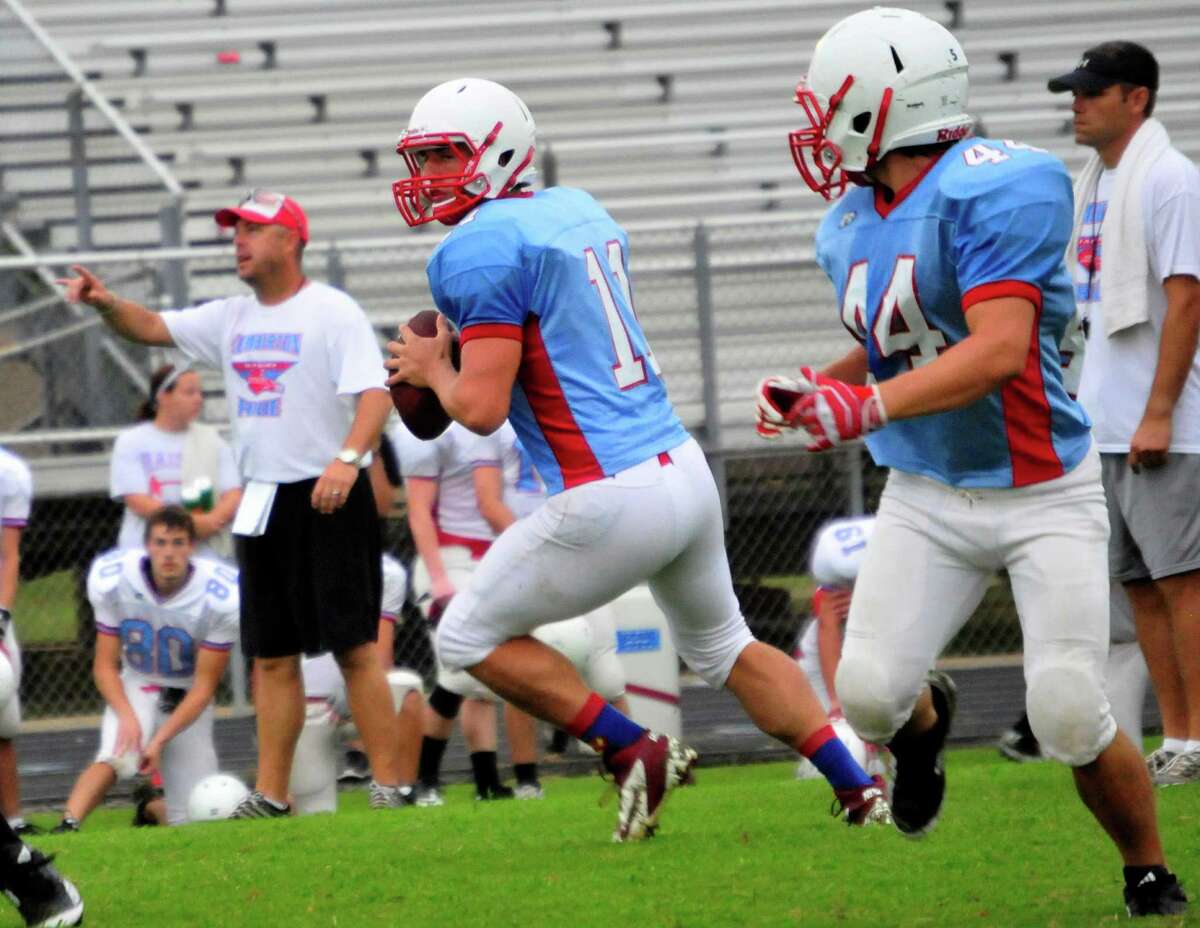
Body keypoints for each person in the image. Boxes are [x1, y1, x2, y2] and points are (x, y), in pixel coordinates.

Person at [756, 7, 1184, 916]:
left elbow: (997, 348)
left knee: (1070, 708)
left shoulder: (1002, 185)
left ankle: (1146, 868)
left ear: (886, 102)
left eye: (828, 104)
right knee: (867, 700)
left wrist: (861, 406)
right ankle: (924, 726)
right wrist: (813, 385)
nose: (816, 126)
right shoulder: (848, 220)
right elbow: (900, 341)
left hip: (1042, 491)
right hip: (926, 490)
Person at [386, 77, 889, 841]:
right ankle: (859, 787)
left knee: (462, 639)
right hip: (680, 470)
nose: (430, 177)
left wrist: (431, 370)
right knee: (726, 648)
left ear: (499, 151)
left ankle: (632, 748)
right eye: (422, 161)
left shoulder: (477, 246)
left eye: (448, 156)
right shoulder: (575, 208)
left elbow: (480, 408)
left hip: (607, 493)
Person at [57, 190, 405, 817]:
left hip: (327, 496)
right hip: (263, 500)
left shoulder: (332, 311)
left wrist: (347, 460)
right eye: (235, 229)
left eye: (252, 229)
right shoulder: (231, 317)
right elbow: (152, 328)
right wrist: (107, 303)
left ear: (290, 239)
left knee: (353, 647)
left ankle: (389, 785)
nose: (238, 240)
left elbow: (374, 396)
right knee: (272, 657)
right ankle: (271, 793)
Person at [1049, 42, 1200, 787]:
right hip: (1101, 419)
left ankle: (1198, 736)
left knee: (1184, 583)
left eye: (1091, 91)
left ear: (1135, 98)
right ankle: (1178, 738)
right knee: (1141, 588)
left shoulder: (1169, 179)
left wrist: (1161, 411)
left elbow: (1188, 296)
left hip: (1163, 422)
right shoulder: (1096, 181)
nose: (1076, 103)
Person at [52, 507, 238, 830]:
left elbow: (205, 686)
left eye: (178, 543)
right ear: (147, 545)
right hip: (137, 681)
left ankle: (151, 809)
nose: (169, 553)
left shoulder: (220, 594)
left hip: (187, 693)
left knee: (194, 814)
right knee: (115, 755)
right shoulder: (115, 578)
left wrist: (159, 740)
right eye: (161, 542)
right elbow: (104, 666)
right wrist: (127, 716)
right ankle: (67, 825)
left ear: (192, 547)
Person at [394, 418, 543, 804]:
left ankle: (486, 783)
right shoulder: (435, 430)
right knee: (458, 673)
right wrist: (439, 579)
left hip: (491, 556)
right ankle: (423, 780)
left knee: (482, 678)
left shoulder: (501, 419)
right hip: (448, 557)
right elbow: (418, 511)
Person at [294, 553, 426, 813]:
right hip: (307, 705)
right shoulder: (287, 563)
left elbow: (380, 657)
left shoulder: (386, 571)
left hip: (360, 694)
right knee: (314, 817)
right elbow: (269, 672)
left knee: (407, 685)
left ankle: (402, 790)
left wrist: (362, 708)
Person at [792, 516, 892, 785]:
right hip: (825, 665)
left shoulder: (899, 564)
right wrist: (838, 702)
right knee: (842, 739)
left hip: (876, 651)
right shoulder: (837, 578)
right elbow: (828, 627)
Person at [110, 363, 241, 561]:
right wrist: (187, 524)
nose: (198, 399)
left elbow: (233, 493)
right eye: (189, 392)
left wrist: (211, 521)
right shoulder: (132, 441)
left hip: (203, 554)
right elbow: (136, 499)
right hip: (145, 553)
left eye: (199, 393)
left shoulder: (213, 441)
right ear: (163, 396)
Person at [0, 446, 34, 837]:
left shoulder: (9, 472)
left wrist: (2, 612)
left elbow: (10, 555)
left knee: (3, 723)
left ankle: (13, 821)